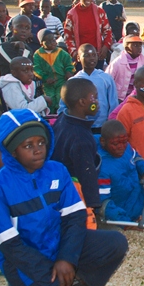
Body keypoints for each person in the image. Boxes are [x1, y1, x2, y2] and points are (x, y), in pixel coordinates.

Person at [0, 109, 128, 286]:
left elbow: (75, 216)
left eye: (41, 142)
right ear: (12, 151)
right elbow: (9, 246)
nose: (37, 149)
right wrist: (50, 271)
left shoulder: (57, 170)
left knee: (116, 243)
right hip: (25, 261)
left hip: (57, 244)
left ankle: (78, 281)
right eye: (28, 145)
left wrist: (66, 258)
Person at [52, 78, 101, 227]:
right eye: (95, 98)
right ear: (82, 102)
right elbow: (86, 175)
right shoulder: (81, 138)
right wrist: (93, 205)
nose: (97, 102)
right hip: (74, 191)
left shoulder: (63, 118)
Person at [59, 45, 118, 129]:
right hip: (78, 126)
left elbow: (113, 103)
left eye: (94, 55)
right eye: (87, 55)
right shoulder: (73, 81)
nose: (92, 58)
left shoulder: (106, 78)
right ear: (78, 58)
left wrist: (111, 122)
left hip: (102, 126)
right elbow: (63, 106)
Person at [63, 0, 113, 65]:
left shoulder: (99, 11)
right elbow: (68, 36)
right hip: (81, 56)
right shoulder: (71, 14)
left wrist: (106, 47)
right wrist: (74, 53)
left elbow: (107, 31)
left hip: (97, 54)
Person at [33, 30, 74, 114]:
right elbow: (36, 69)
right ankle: (50, 115)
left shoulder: (61, 52)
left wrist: (68, 71)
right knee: (50, 99)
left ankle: (61, 114)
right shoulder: (38, 54)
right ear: (42, 43)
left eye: (53, 40)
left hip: (61, 80)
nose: (52, 43)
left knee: (61, 97)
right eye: (48, 41)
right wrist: (45, 77)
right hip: (47, 83)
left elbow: (69, 63)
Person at [105, 35, 144, 101]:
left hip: (135, 99)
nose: (139, 48)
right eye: (136, 46)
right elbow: (107, 80)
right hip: (118, 98)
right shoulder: (117, 63)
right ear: (127, 48)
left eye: (140, 46)